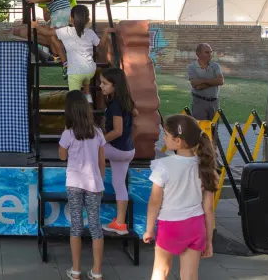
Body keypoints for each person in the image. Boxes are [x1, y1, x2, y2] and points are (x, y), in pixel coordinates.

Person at [144, 114, 219, 280]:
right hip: (196, 226)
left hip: (170, 226)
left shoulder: (163, 166)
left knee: (161, 270)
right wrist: (209, 240)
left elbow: (154, 202)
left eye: (167, 135)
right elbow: (208, 208)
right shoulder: (205, 167)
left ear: (178, 141)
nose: (164, 138)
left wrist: (149, 229)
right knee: (190, 275)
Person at [58, 90, 107, 280]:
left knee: (76, 227)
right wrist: (100, 181)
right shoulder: (98, 133)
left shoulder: (68, 134)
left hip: (74, 184)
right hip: (94, 184)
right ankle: (97, 271)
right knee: (95, 227)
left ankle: (76, 270)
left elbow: (62, 156)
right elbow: (102, 162)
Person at [97, 72, 136, 236]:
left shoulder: (115, 105)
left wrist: (100, 141)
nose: (101, 86)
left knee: (88, 150)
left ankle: (92, 186)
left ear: (115, 86)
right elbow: (136, 114)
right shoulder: (126, 102)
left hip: (117, 149)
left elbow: (118, 131)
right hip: (128, 150)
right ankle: (120, 224)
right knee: (119, 184)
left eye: (104, 83)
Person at [54, 5, 102, 98]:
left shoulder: (65, 31)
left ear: (71, 19)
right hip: (90, 70)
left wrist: (36, 26)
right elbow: (101, 44)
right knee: (87, 92)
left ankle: (77, 112)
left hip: (75, 72)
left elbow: (48, 33)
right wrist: (107, 31)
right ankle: (89, 111)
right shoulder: (90, 32)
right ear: (87, 20)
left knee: (74, 97)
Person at [187, 43, 223, 120]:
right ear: (198, 54)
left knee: (214, 129)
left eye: (211, 52)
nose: (210, 54)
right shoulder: (191, 67)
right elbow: (195, 85)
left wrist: (203, 81)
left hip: (214, 102)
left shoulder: (216, 66)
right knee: (200, 129)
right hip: (199, 102)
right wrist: (213, 81)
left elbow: (220, 81)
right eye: (207, 52)